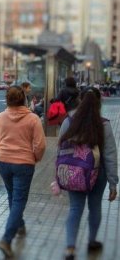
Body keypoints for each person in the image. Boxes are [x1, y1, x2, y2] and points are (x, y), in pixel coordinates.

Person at [58, 87, 118, 260]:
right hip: (98, 174)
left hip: (74, 171)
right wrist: (113, 182)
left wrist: (60, 175)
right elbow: (110, 155)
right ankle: (92, 241)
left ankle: (70, 247)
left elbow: (61, 151)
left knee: (75, 208)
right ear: (100, 102)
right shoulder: (104, 124)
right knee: (95, 207)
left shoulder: (69, 121)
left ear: (80, 101)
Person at [0, 86, 46, 258]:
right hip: (24, 163)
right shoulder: (33, 118)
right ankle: (6, 239)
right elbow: (40, 145)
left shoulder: (0, 117)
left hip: (3, 162)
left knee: (12, 195)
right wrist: (35, 158)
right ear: (23, 99)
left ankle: (20, 224)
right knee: (19, 200)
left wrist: (3, 152)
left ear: (7, 100)